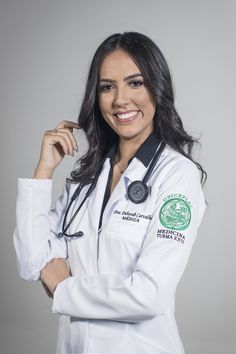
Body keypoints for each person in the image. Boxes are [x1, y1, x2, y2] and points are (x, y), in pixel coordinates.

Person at [14, 32, 207, 354]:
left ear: (157, 89)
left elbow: (149, 295)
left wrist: (63, 287)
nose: (120, 100)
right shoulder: (87, 178)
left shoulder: (176, 176)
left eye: (135, 83)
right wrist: (44, 171)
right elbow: (31, 262)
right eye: (107, 87)